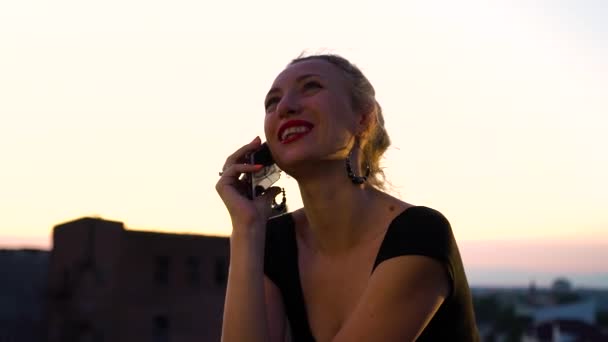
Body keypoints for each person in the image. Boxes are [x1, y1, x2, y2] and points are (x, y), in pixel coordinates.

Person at [216, 54, 479, 342]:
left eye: (311, 87)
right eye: (271, 102)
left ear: (363, 120)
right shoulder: (274, 242)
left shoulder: (418, 234)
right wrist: (247, 228)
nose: (285, 107)